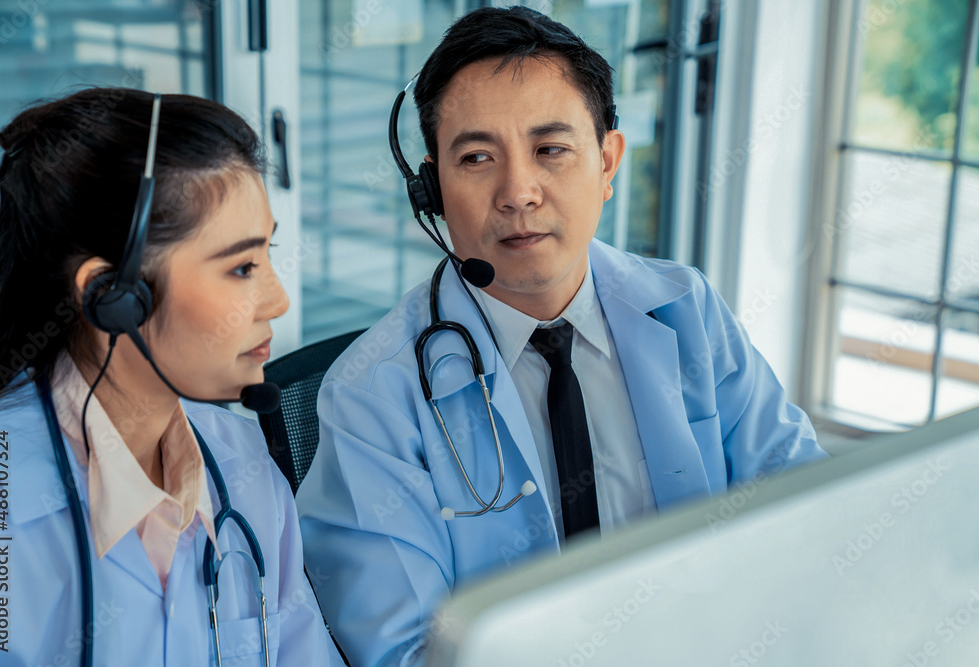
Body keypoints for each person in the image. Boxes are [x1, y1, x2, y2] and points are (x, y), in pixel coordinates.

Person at [297, 6, 828, 666]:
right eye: (477, 157)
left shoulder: (688, 313)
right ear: (431, 188)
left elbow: (808, 511)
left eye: (551, 150)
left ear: (607, 162)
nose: (518, 192)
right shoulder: (372, 395)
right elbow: (405, 654)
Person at [0, 88, 344, 666]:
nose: (276, 299)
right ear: (112, 296)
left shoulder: (242, 464)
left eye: (268, 255)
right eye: (242, 267)